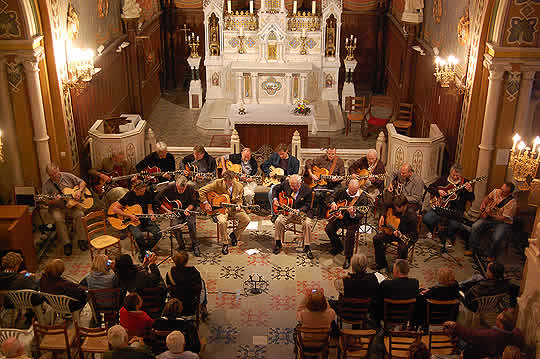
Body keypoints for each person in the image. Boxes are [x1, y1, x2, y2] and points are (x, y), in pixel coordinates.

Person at [41, 162, 88, 256]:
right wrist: (53, 201)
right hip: (57, 208)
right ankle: (67, 244)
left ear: (58, 169)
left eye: (55, 173)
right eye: (51, 175)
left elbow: (82, 182)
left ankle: (82, 240)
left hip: (71, 206)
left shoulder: (68, 176)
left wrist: (79, 191)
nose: (54, 176)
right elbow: (45, 201)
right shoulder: (46, 185)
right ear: (48, 175)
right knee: (58, 219)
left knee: (80, 215)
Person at [423, 163, 475, 247]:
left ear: (460, 175)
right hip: (440, 207)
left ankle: (447, 238)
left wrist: (470, 191)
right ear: (450, 173)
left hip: (455, 211)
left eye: (457, 176)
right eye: (453, 175)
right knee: (426, 218)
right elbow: (430, 187)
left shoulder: (465, 183)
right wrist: (438, 191)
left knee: (454, 225)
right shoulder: (443, 179)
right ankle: (435, 231)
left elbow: (471, 199)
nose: (455, 177)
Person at [199, 171, 250, 255]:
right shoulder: (217, 183)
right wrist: (206, 203)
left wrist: (239, 205)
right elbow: (201, 190)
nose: (231, 184)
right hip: (221, 209)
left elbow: (240, 200)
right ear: (224, 180)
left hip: (233, 209)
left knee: (246, 220)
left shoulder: (239, 186)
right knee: (222, 222)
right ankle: (225, 243)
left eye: (232, 182)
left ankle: (234, 235)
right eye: (229, 183)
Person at [110, 179, 161, 262]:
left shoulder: (147, 193)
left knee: (158, 233)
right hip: (131, 221)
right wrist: (129, 215)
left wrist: (151, 215)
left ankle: (143, 251)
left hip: (145, 220)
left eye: (144, 190)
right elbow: (115, 209)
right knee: (138, 236)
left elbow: (149, 209)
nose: (143, 193)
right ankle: (145, 252)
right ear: (135, 190)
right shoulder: (129, 195)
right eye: (141, 191)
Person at [443, 309, 523, 359]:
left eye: (501, 313)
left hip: (476, 352)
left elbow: (472, 335)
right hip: (486, 348)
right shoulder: (513, 335)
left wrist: (454, 325)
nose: (498, 315)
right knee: (458, 337)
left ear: (501, 319)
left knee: (458, 338)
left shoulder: (492, 335)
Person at [325, 179, 370, 268]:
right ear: (348, 186)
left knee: (350, 234)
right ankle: (338, 247)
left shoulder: (363, 197)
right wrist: (333, 203)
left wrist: (353, 214)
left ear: (358, 188)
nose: (351, 193)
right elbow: (331, 197)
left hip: (353, 221)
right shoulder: (342, 190)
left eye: (354, 192)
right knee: (328, 228)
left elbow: (361, 215)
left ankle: (348, 257)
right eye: (350, 190)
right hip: (340, 217)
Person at [467, 182, 517, 260]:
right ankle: (472, 249)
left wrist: (490, 215)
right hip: (490, 217)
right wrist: (483, 204)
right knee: (475, 226)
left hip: (502, 222)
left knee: (497, 237)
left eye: (504, 191)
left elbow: (503, 218)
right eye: (501, 189)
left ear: (509, 193)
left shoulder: (512, 203)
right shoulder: (496, 191)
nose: (501, 191)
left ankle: (491, 255)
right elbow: (487, 198)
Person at [155, 176, 200, 256]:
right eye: (179, 189)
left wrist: (188, 209)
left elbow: (194, 202)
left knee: (191, 223)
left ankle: (195, 245)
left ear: (186, 186)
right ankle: (181, 245)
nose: (181, 191)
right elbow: (157, 199)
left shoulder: (190, 188)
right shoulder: (170, 187)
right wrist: (166, 210)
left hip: (188, 210)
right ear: (176, 184)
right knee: (174, 226)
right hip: (175, 211)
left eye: (183, 189)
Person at [272, 174, 314, 259]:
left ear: (300, 183)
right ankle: (278, 243)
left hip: (301, 213)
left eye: (295, 186)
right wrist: (275, 199)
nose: (292, 188)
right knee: (278, 221)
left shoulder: (307, 190)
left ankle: (307, 247)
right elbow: (275, 189)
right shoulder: (286, 184)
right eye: (291, 185)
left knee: (307, 223)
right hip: (287, 212)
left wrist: (298, 210)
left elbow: (308, 205)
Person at [372, 196, 418, 270]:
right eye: (395, 206)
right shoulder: (395, 205)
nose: (396, 209)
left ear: (405, 206)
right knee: (376, 238)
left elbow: (413, 233)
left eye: (398, 207)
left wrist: (401, 235)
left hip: (406, 235)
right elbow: (385, 205)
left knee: (402, 249)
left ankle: (399, 270)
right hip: (392, 231)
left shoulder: (411, 216)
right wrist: (383, 216)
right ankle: (381, 263)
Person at [261, 143, 300, 221]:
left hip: (287, 183)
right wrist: (269, 172)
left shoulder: (295, 161)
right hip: (276, 182)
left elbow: (295, 174)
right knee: (271, 193)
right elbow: (263, 165)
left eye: (282, 154)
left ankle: (286, 212)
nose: (281, 156)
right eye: (279, 154)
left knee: (282, 194)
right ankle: (274, 213)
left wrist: (290, 178)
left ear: (287, 151)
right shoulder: (274, 156)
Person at [333, 253, 379, 319]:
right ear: (365, 266)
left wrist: (345, 277)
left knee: (330, 303)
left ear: (352, 266)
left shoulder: (343, 282)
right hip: (364, 310)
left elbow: (335, 283)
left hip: (346, 312)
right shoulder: (373, 278)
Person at [304, 146, 345, 218]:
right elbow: (308, 162)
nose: (331, 156)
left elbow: (342, 176)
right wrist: (311, 174)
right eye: (329, 154)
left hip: (334, 183)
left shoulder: (339, 161)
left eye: (333, 154)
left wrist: (337, 179)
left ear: (335, 153)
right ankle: (318, 213)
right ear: (326, 152)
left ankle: (332, 212)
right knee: (317, 193)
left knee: (339, 192)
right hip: (322, 183)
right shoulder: (321, 159)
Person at [165, 251, 205, 318]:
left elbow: (169, 288)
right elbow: (199, 288)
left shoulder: (170, 273)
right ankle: (203, 306)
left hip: (176, 305)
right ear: (186, 261)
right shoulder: (194, 272)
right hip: (191, 306)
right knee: (202, 283)